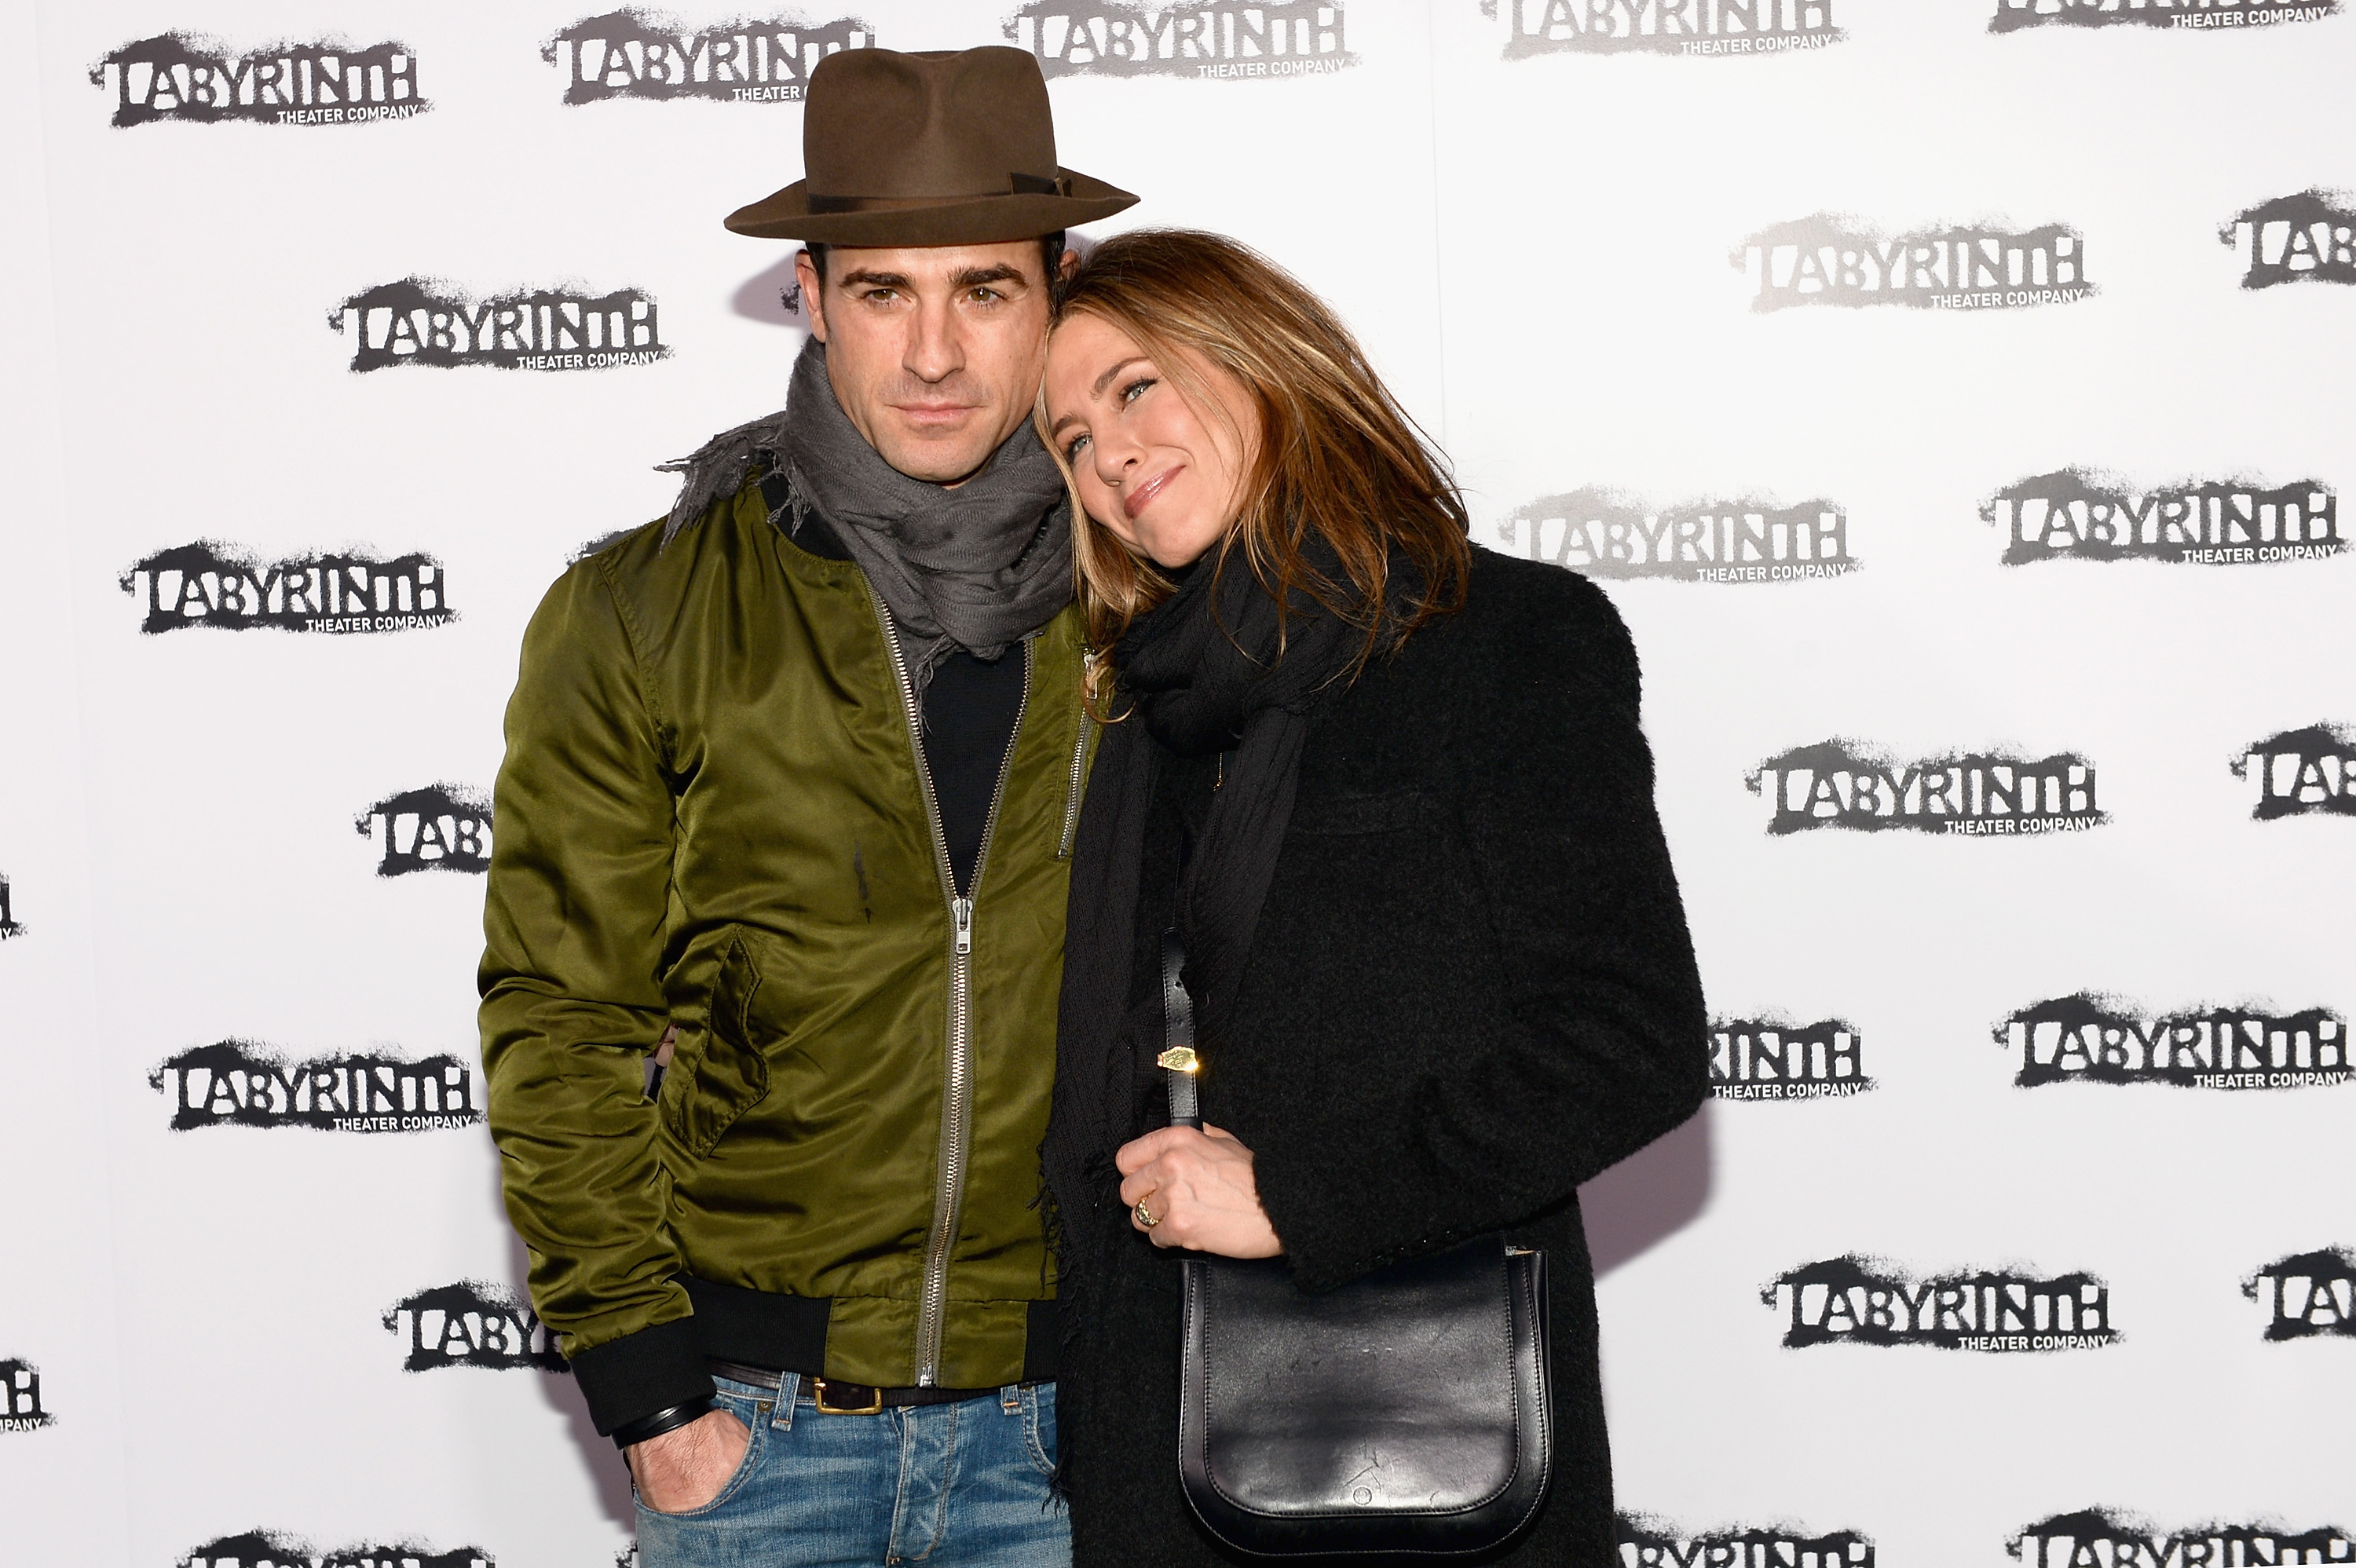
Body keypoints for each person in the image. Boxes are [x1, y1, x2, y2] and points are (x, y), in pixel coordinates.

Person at [477, 46, 1134, 1565]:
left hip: (1070, 1438)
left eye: (982, 290)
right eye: (883, 291)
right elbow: (559, 1022)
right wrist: (653, 1398)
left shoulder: (1144, 603)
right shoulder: (643, 609)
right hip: (756, 1437)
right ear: (811, 292)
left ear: (1060, 290)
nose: (932, 354)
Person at [1037, 230, 1710, 1563]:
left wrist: (1296, 1194)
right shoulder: (1139, 709)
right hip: (1143, 1450)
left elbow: (1629, 1043)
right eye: (1066, 439)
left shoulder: (1502, 640)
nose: (1107, 453)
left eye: (1136, 387)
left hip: (1431, 1452)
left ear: (1262, 363)